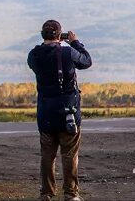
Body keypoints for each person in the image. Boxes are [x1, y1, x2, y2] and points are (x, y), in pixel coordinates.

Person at [27, 19, 92, 201]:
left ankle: (46, 193)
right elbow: (86, 61)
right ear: (59, 34)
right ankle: (71, 195)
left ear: (42, 34)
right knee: (69, 155)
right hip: (68, 113)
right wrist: (74, 42)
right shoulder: (67, 52)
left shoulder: (33, 55)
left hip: (46, 113)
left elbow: (37, 65)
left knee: (47, 156)